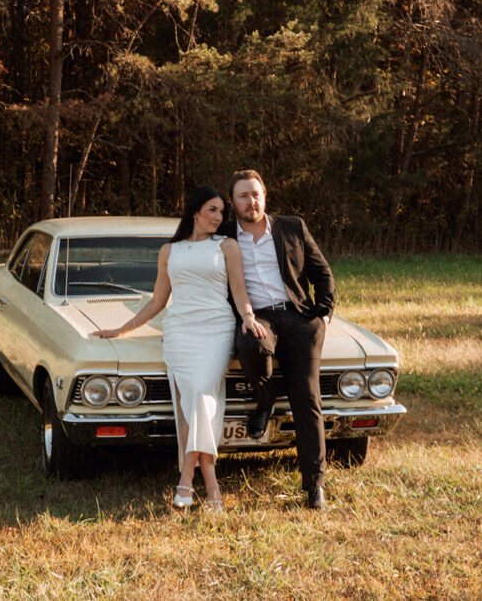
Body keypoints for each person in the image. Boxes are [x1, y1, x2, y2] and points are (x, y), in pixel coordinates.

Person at [92, 186, 266, 512]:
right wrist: (121, 329)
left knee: (201, 394)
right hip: (179, 333)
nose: (218, 218)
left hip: (216, 330)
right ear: (195, 211)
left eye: (221, 213)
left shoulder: (226, 246)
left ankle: (188, 476)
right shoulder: (169, 251)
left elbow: (240, 291)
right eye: (212, 210)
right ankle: (211, 486)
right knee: (193, 404)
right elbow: (158, 301)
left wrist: (248, 317)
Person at [219, 169, 335, 510]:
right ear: (232, 202)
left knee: (307, 398)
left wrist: (324, 314)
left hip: (298, 316)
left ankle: (314, 486)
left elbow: (322, 272)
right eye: (243, 195)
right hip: (258, 316)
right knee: (251, 345)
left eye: (256, 194)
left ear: (264, 196)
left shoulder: (292, 227)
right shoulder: (223, 236)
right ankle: (266, 396)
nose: (250, 201)